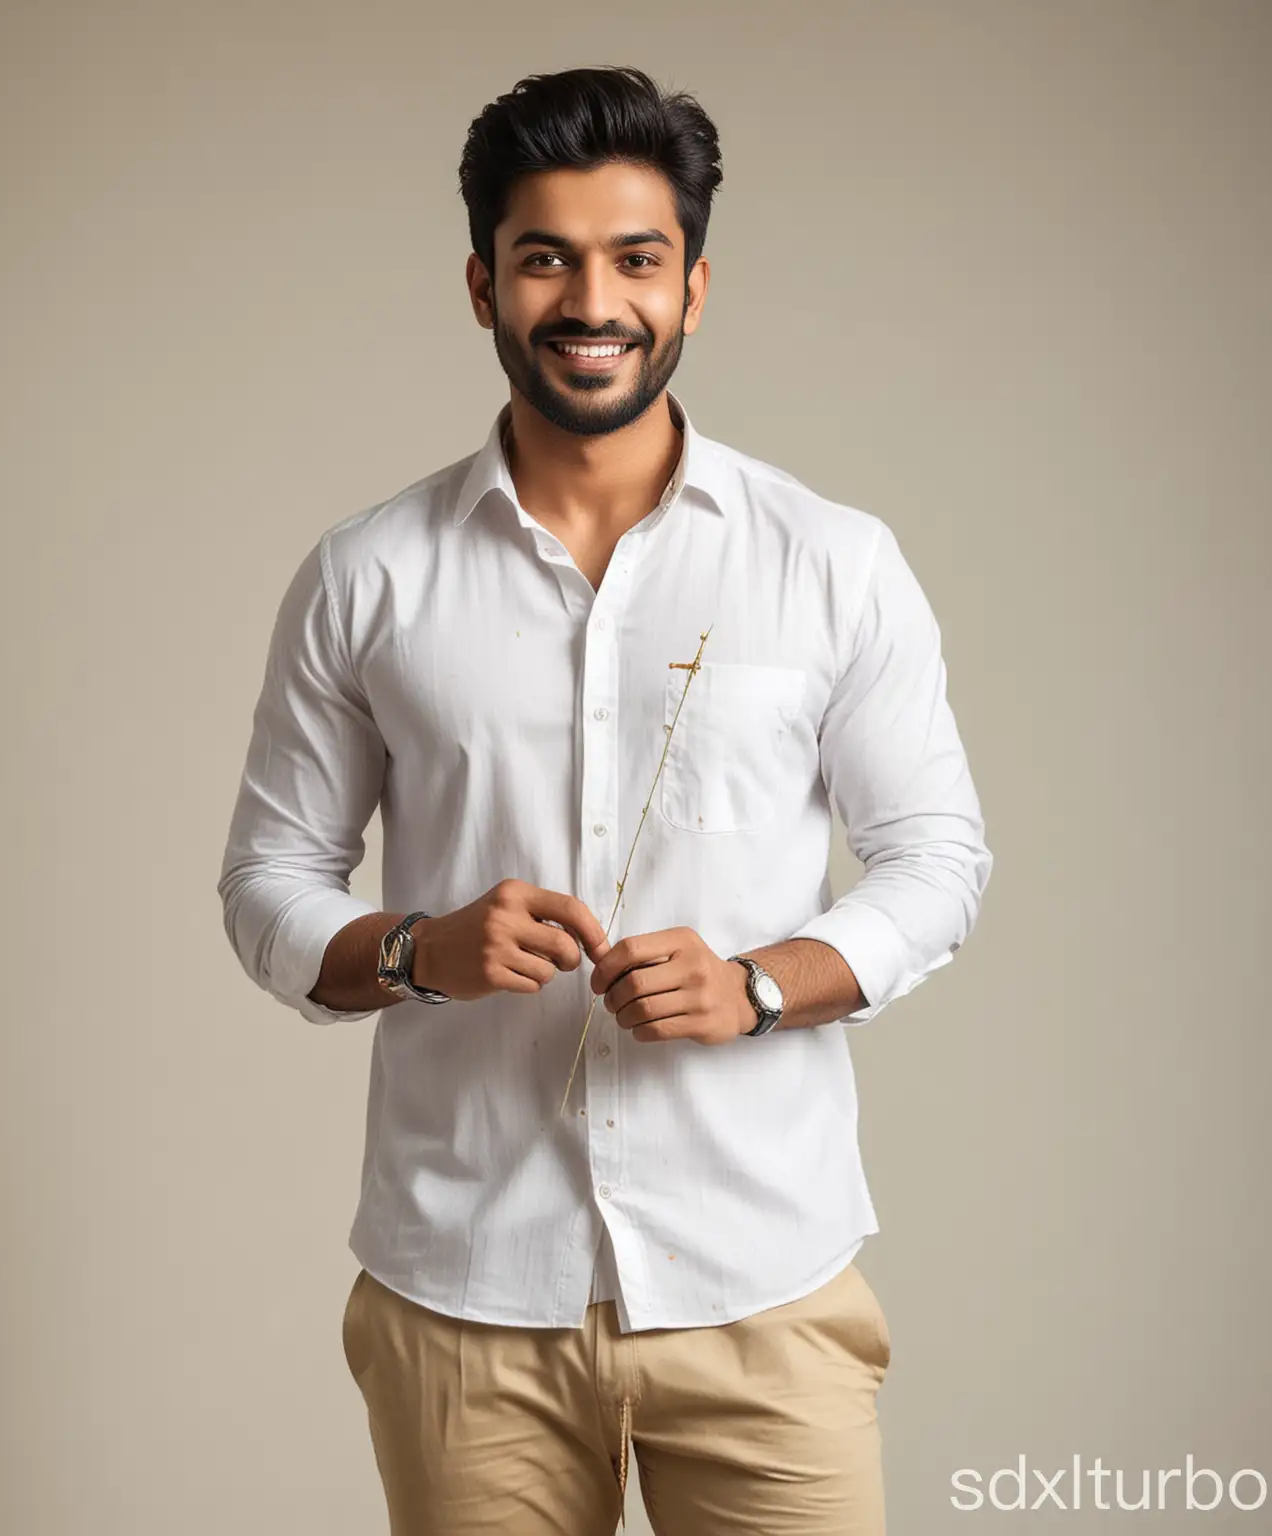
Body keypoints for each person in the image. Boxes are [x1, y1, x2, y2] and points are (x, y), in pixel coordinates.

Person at [217, 63, 993, 1536]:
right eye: (546, 257)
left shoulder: (833, 561)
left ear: (693, 288)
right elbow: (266, 883)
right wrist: (415, 954)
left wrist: (758, 987)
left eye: (635, 259)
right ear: (482, 285)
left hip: (762, 1288)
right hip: (464, 1301)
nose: (593, 299)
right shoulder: (367, 576)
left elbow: (936, 862)